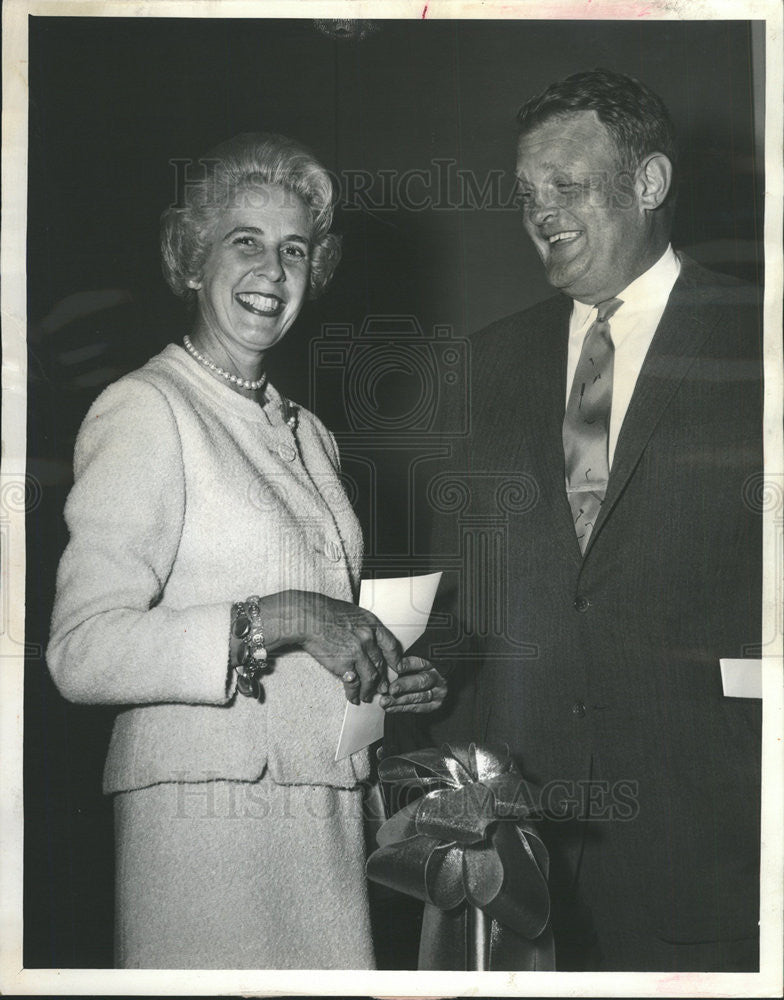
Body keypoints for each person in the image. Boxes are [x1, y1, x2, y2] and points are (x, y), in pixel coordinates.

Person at [46, 132, 446, 970]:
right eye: (246, 243)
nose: (273, 269)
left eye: (294, 249)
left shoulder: (310, 435)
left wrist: (380, 672)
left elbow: (327, 631)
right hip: (202, 834)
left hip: (327, 826)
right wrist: (289, 618)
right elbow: (81, 651)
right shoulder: (146, 409)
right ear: (193, 262)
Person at [394, 69, 763, 972]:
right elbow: (463, 597)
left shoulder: (762, 342)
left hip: (710, 836)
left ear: (650, 182)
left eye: (567, 185)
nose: (540, 213)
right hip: (518, 855)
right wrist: (423, 671)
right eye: (527, 195)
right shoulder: (482, 364)